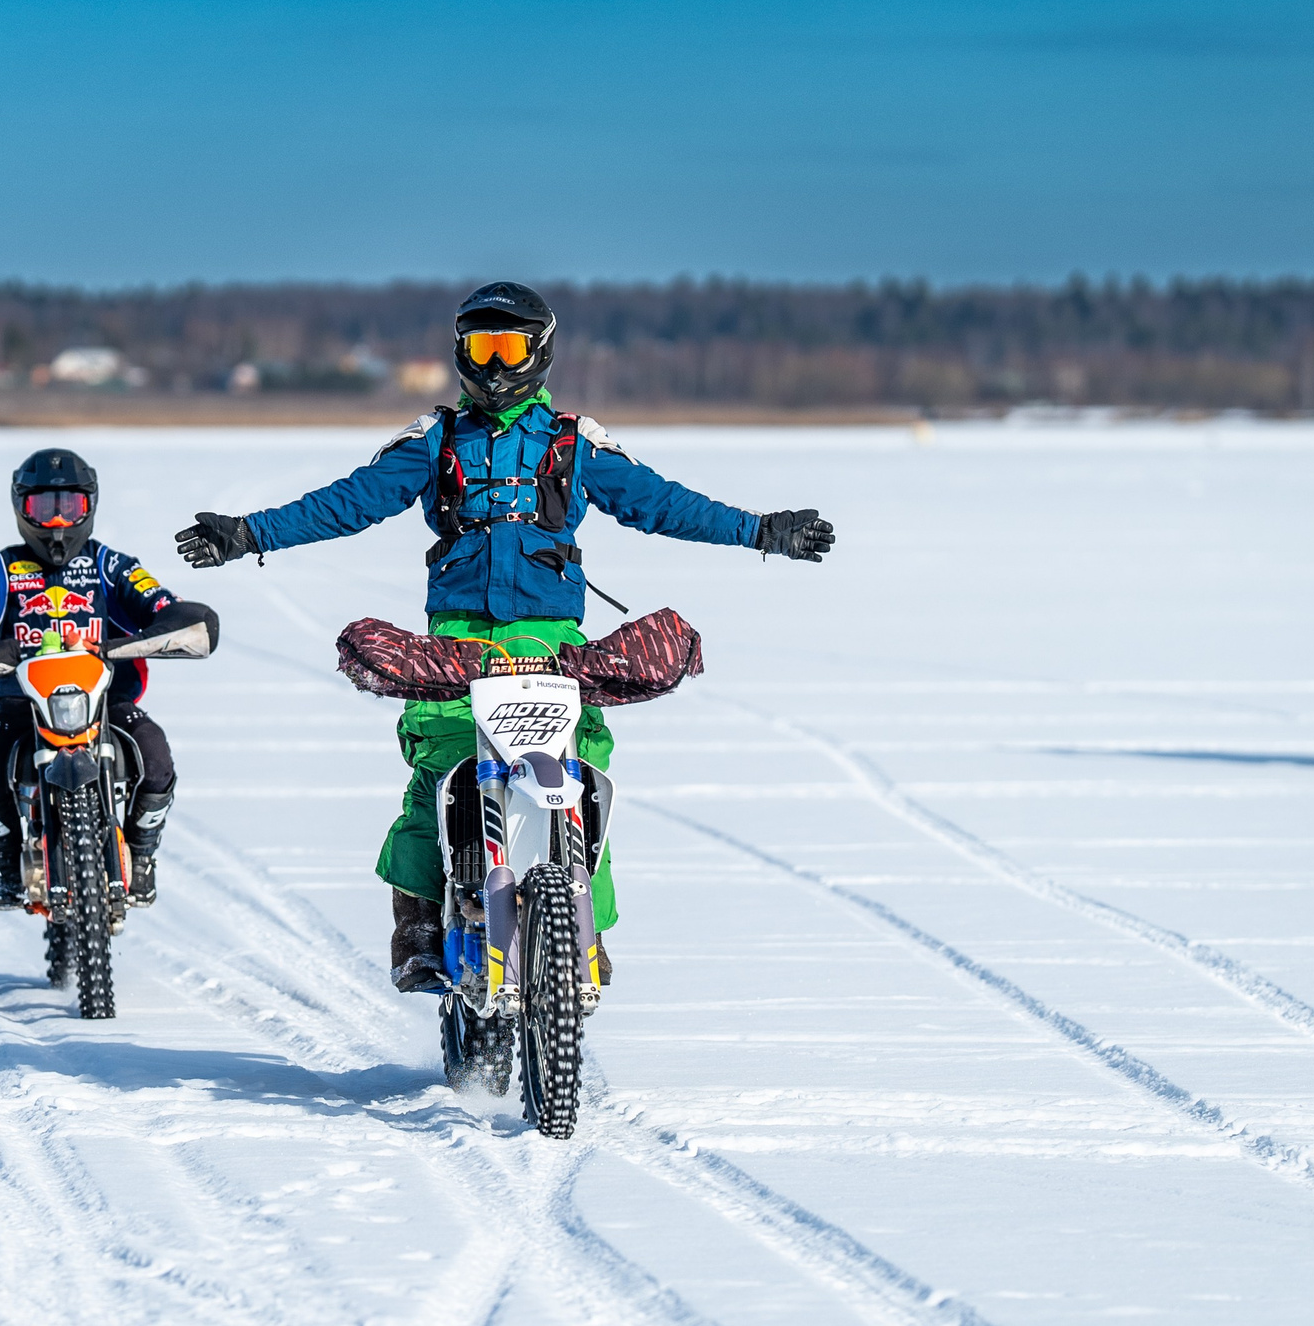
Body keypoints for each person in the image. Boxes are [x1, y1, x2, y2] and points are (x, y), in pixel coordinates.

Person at [174, 281, 836, 993]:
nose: (493, 364)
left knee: (580, 774)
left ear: (539, 352)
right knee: (440, 771)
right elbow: (348, 502)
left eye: (509, 346)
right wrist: (248, 533)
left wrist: (763, 530)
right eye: (480, 347)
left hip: (551, 642)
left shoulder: (574, 442)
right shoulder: (433, 440)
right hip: (454, 643)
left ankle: (587, 931)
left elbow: (665, 504)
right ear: (460, 351)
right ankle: (420, 926)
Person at [0, 448, 183, 908]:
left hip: (106, 701)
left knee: (156, 755)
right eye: (43, 507)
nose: (58, 519)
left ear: (90, 505)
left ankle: (142, 856)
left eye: (71, 505)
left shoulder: (109, 565)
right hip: (21, 705)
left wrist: (174, 617)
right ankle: (6, 864)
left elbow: (156, 600)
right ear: (22, 508)